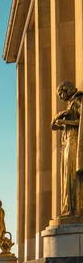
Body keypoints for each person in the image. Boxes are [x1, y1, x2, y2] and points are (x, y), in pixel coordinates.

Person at [51, 81, 83, 217]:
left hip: (74, 140)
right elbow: (53, 126)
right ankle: (68, 207)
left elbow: (81, 121)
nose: (59, 97)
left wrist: (65, 122)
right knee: (66, 176)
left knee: (71, 175)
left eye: (60, 94)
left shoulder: (78, 101)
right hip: (67, 143)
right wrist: (58, 120)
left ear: (67, 90)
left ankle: (75, 208)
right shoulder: (70, 105)